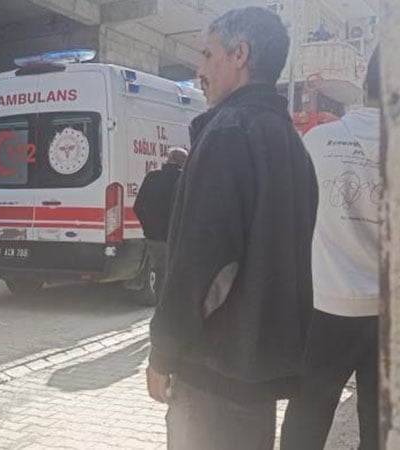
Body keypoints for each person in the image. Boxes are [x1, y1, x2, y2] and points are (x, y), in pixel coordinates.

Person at [145, 7, 319, 450]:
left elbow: (203, 266)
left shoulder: (228, 134)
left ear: (240, 55)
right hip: (256, 377)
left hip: (213, 377)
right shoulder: (291, 144)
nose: (199, 70)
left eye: (207, 54)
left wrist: (164, 351)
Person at [281, 48, 381, 450]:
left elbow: (292, 222)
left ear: (366, 82)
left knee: (307, 418)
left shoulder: (318, 141)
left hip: (325, 306)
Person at [133, 147, 188, 299]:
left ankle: (160, 305)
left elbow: (138, 206)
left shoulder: (152, 177)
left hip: (154, 238)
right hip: (177, 238)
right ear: (183, 162)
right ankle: (172, 306)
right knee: (177, 274)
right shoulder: (184, 179)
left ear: (168, 160)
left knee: (160, 272)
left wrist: (148, 228)